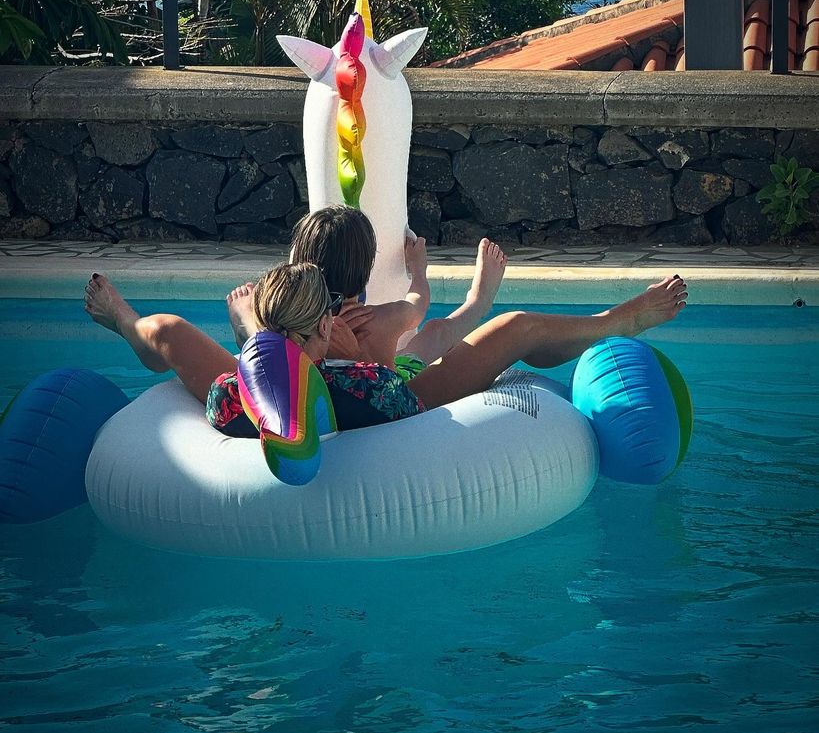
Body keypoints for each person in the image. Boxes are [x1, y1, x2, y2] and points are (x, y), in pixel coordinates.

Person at [83, 264, 688, 435]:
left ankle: (126, 319)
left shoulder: (228, 397)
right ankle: (617, 321)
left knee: (164, 330)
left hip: (290, 368)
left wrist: (255, 337)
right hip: (390, 399)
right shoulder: (364, 381)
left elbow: (259, 381)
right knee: (518, 329)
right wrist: (359, 358)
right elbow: (398, 395)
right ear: (322, 327)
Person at [286, 205, 508, 374]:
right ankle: (479, 301)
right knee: (436, 330)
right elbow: (418, 301)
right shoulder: (384, 318)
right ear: (366, 266)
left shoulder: (293, 321)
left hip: (336, 397)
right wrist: (418, 269)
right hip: (390, 390)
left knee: (414, 347)